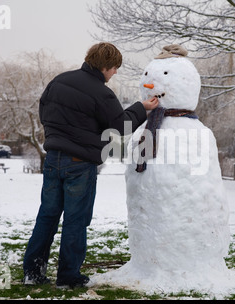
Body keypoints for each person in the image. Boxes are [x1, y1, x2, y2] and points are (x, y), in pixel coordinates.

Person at [22, 42, 159, 289]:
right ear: (106, 66)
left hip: (54, 159)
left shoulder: (59, 81)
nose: (115, 73)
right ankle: (68, 276)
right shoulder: (101, 92)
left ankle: (33, 271)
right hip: (80, 164)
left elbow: (44, 112)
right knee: (76, 219)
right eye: (115, 68)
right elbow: (121, 127)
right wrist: (142, 108)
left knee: (47, 216)